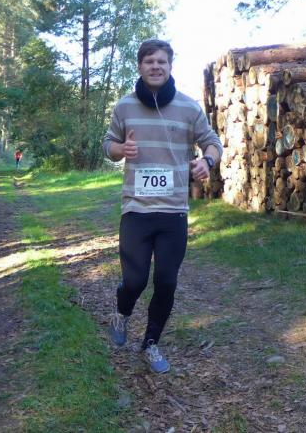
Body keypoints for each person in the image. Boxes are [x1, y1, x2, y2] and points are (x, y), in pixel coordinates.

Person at [102, 39, 222, 374]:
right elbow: (108, 143)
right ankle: (121, 314)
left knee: (167, 281)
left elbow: (212, 142)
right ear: (140, 66)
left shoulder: (188, 107)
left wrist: (207, 162)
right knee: (134, 281)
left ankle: (151, 343)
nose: (155, 66)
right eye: (149, 61)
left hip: (173, 212)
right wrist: (120, 150)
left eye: (161, 62)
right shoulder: (125, 106)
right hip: (136, 211)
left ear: (170, 66)